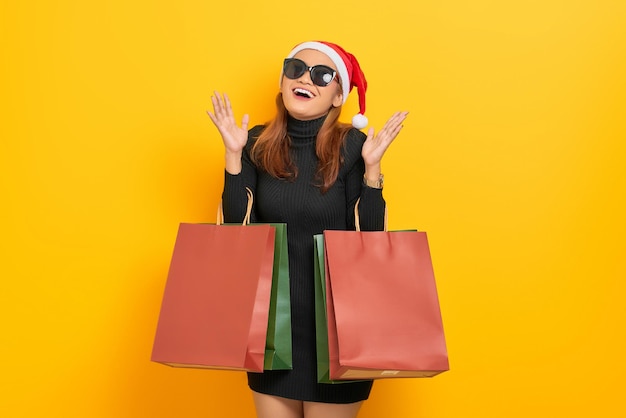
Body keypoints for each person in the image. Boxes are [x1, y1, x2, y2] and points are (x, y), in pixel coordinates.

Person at [207, 41, 408, 418]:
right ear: (283, 80)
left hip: (338, 333)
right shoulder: (255, 143)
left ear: (338, 95)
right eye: (296, 67)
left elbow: (371, 243)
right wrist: (233, 157)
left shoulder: (353, 147)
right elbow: (237, 233)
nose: (305, 79)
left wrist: (372, 171)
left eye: (321, 75)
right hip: (271, 331)